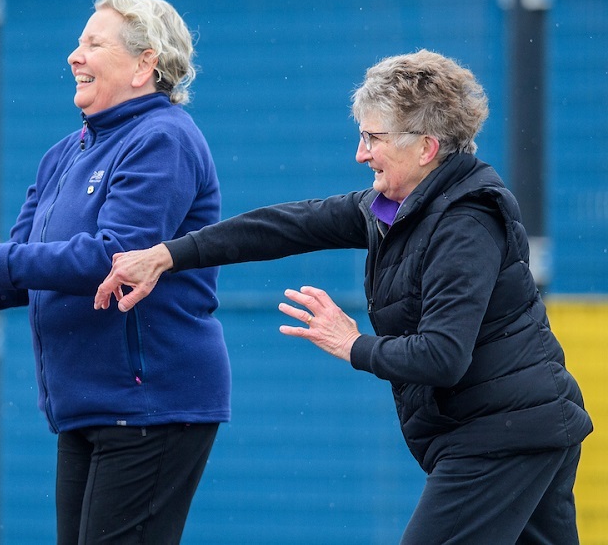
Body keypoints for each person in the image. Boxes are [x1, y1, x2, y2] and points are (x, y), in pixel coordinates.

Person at [94, 50, 593, 544]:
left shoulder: (464, 224)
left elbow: (442, 356)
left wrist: (351, 342)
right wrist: (167, 254)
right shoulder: (395, 207)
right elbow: (287, 226)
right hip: (526, 425)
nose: (361, 153)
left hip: (505, 433)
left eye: (373, 138)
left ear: (426, 148)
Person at [0, 0, 231, 543]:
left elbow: (115, 256)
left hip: (149, 402)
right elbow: (15, 279)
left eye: (93, 43)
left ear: (144, 65)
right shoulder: (65, 152)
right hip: (87, 407)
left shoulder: (163, 138)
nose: (74, 55)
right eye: (78, 42)